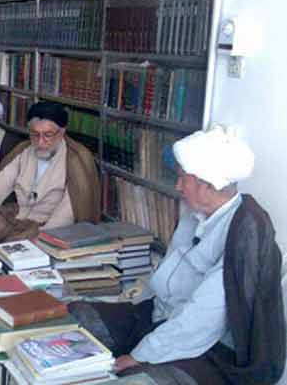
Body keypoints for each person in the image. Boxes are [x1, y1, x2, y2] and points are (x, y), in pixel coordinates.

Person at [68, 126, 285, 385]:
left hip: (207, 349)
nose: (178, 185)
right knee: (76, 316)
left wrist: (139, 356)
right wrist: (134, 311)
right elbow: (166, 272)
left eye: (183, 178)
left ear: (207, 184)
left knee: (136, 380)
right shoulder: (194, 211)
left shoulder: (244, 232)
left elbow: (202, 321)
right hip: (158, 316)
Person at [0, 101, 100, 247]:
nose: (40, 142)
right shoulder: (24, 151)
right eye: (35, 134)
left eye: (48, 135)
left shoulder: (74, 160)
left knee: (14, 247)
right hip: (18, 215)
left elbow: (66, 213)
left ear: (61, 132)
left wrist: (43, 237)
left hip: (46, 225)